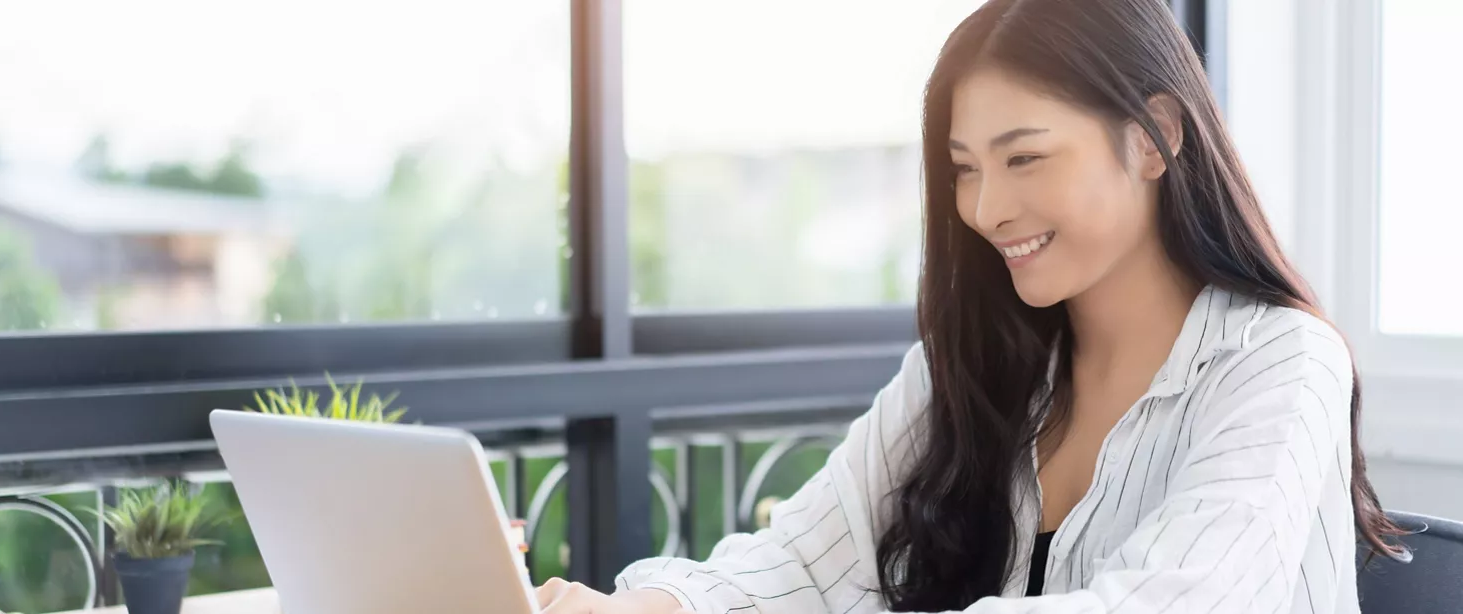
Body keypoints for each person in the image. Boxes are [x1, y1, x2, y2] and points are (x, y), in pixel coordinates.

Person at [535, 0, 1405, 611]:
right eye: (963, 168)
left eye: (1024, 158)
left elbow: (1170, 604)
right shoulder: (971, 366)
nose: (985, 209)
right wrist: (644, 607)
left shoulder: (1281, 363)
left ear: (1156, 139)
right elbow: (803, 559)